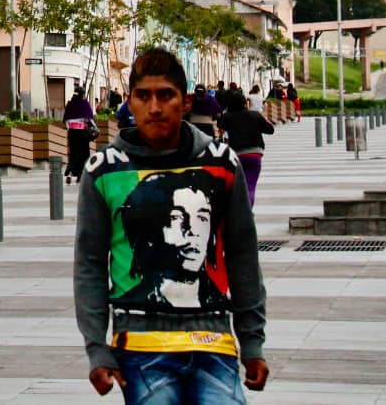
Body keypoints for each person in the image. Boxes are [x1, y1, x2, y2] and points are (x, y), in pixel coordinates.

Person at [74, 48, 268, 404]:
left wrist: (251, 340)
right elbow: (89, 263)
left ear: (185, 100)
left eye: (166, 95)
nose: (155, 107)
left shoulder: (221, 162)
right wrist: (96, 348)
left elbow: (242, 251)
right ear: (129, 103)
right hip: (140, 349)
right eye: (144, 96)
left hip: (214, 343)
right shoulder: (103, 169)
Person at [218, 88, 275, 206]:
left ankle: (239, 211)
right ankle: (248, 211)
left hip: (236, 155)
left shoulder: (228, 117)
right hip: (255, 154)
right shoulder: (254, 115)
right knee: (250, 185)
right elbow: (270, 130)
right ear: (245, 103)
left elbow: (220, 124)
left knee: (237, 186)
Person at [63, 89, 98, 183]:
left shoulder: (70, 104)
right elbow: (90, 119)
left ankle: (70, 173)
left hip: (72, 133)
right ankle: (80, 175)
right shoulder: (84, 104)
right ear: (83, 95)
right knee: (83, 154)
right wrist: (95, 128)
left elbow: (66, 120)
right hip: (82, 133)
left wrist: (70, 129)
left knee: (73, 153)